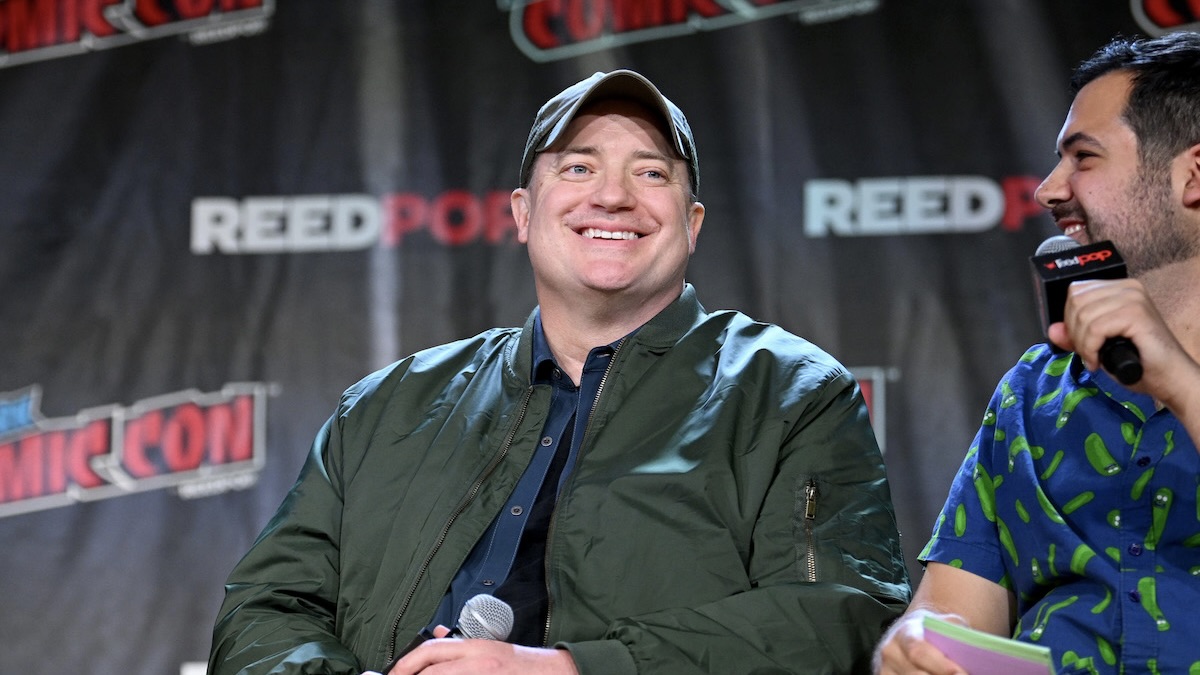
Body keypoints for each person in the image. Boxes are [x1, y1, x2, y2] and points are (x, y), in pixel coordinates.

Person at [208, 69, 910, 675]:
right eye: (577, 167)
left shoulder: (790, 393)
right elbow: (266, 607)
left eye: (651, 172)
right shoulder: (387, 405)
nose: (611, 196)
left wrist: (577, 667)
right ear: (522, 212)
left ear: (692, 223)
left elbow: (840, 616)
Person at [874, 31, 1200, 675]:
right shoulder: (1035, 389)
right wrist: (911, 647)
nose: (1049, 190)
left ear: (1193, 176)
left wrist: (1181, 384)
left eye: (1083, 158)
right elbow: (949, 607)